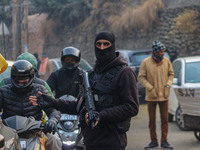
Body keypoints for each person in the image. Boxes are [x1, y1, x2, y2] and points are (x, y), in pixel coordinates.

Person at [29, 31, 139, 150]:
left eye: (106, 44)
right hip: (90, 141)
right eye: (98, 44)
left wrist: (101, 115)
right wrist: (51, 102)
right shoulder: (91, 75)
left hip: (112, 141)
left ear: (113, 46)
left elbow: (131, 107)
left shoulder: (124, 73)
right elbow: (78, 106)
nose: (102, 48)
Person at [0, 60, 62, 150]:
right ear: (12, 77)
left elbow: (53, 108)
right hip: (8, 133)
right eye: (18, 78)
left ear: (31, 77)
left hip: (35, 132)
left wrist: (53, 120)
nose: (21, 82)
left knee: (54, 140)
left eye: (24, 79)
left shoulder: (39, 90)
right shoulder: (3, 91)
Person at [138, 40, 174, 149]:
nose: (163, 53)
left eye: (164, 51)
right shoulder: (145, 62)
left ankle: (164, 141)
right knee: (151, 121)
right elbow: (141, 77)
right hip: (151, 96)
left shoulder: (167, 61)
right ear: (155, 52)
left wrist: (168, 85)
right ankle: (153, 141)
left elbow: (171, 74)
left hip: (164, 95)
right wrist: (150, 87)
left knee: (165, 120)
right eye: (161, 51)